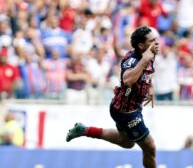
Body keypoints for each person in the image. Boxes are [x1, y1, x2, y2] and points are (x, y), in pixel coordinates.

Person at [66, 26, 159, 168]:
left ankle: (85, 130)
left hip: (129, 106)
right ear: (141, 46)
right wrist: (144, 60)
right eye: (152, 41)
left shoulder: (148, 54)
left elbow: (146, 73)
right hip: (126, 111)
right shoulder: (132, 60)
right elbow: (127, 80)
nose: (156, 43)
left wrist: (149, 88)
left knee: (127, 142)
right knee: (149, 147)